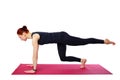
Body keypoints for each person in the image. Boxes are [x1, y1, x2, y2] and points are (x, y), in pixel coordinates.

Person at [17, 25, 115, 73]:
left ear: (24, 34)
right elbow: (34, 56)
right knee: (63, 58)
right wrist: (32, 64)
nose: (20, 39)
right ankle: (82, 60)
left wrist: (34, 69)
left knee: (83, 41)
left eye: (20, 37)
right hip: (60, 40)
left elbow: (35, 55)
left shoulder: (34, 38)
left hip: (63, 37)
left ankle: (104, 41)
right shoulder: (34, 36)